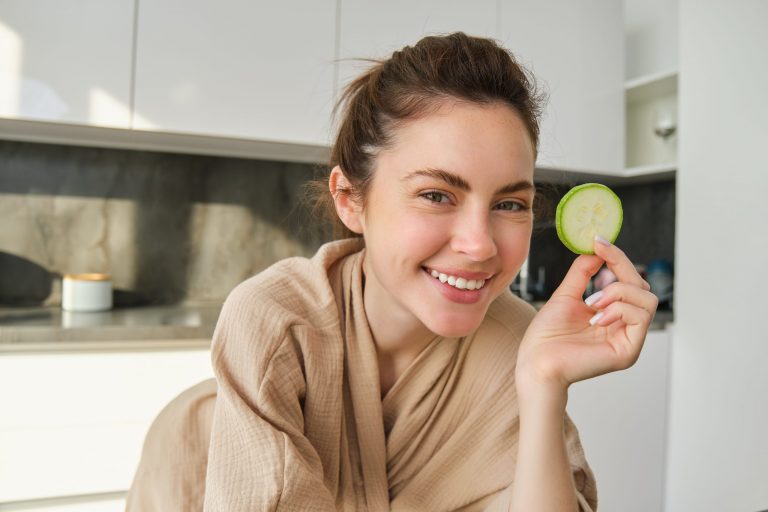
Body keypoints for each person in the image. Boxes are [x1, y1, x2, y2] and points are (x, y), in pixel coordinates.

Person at [126, 32, 658, 511]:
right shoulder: (274, 321)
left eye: (510, 204)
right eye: (435, 195)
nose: (478, 246)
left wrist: (545, 386)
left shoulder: (519, 344)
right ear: (350, 199)